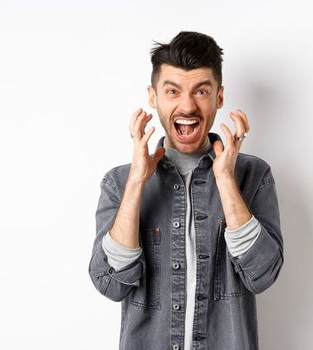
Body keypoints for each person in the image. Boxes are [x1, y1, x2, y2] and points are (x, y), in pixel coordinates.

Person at [88, 31, 284, 350]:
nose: (187, 105)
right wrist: (137, 182)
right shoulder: (119, 182)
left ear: (219, 97)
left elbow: (262, 275)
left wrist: (225, 181)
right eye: (173, 91)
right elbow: (110, 284)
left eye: (201, 91)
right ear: (153, 97)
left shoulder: (253, 175)